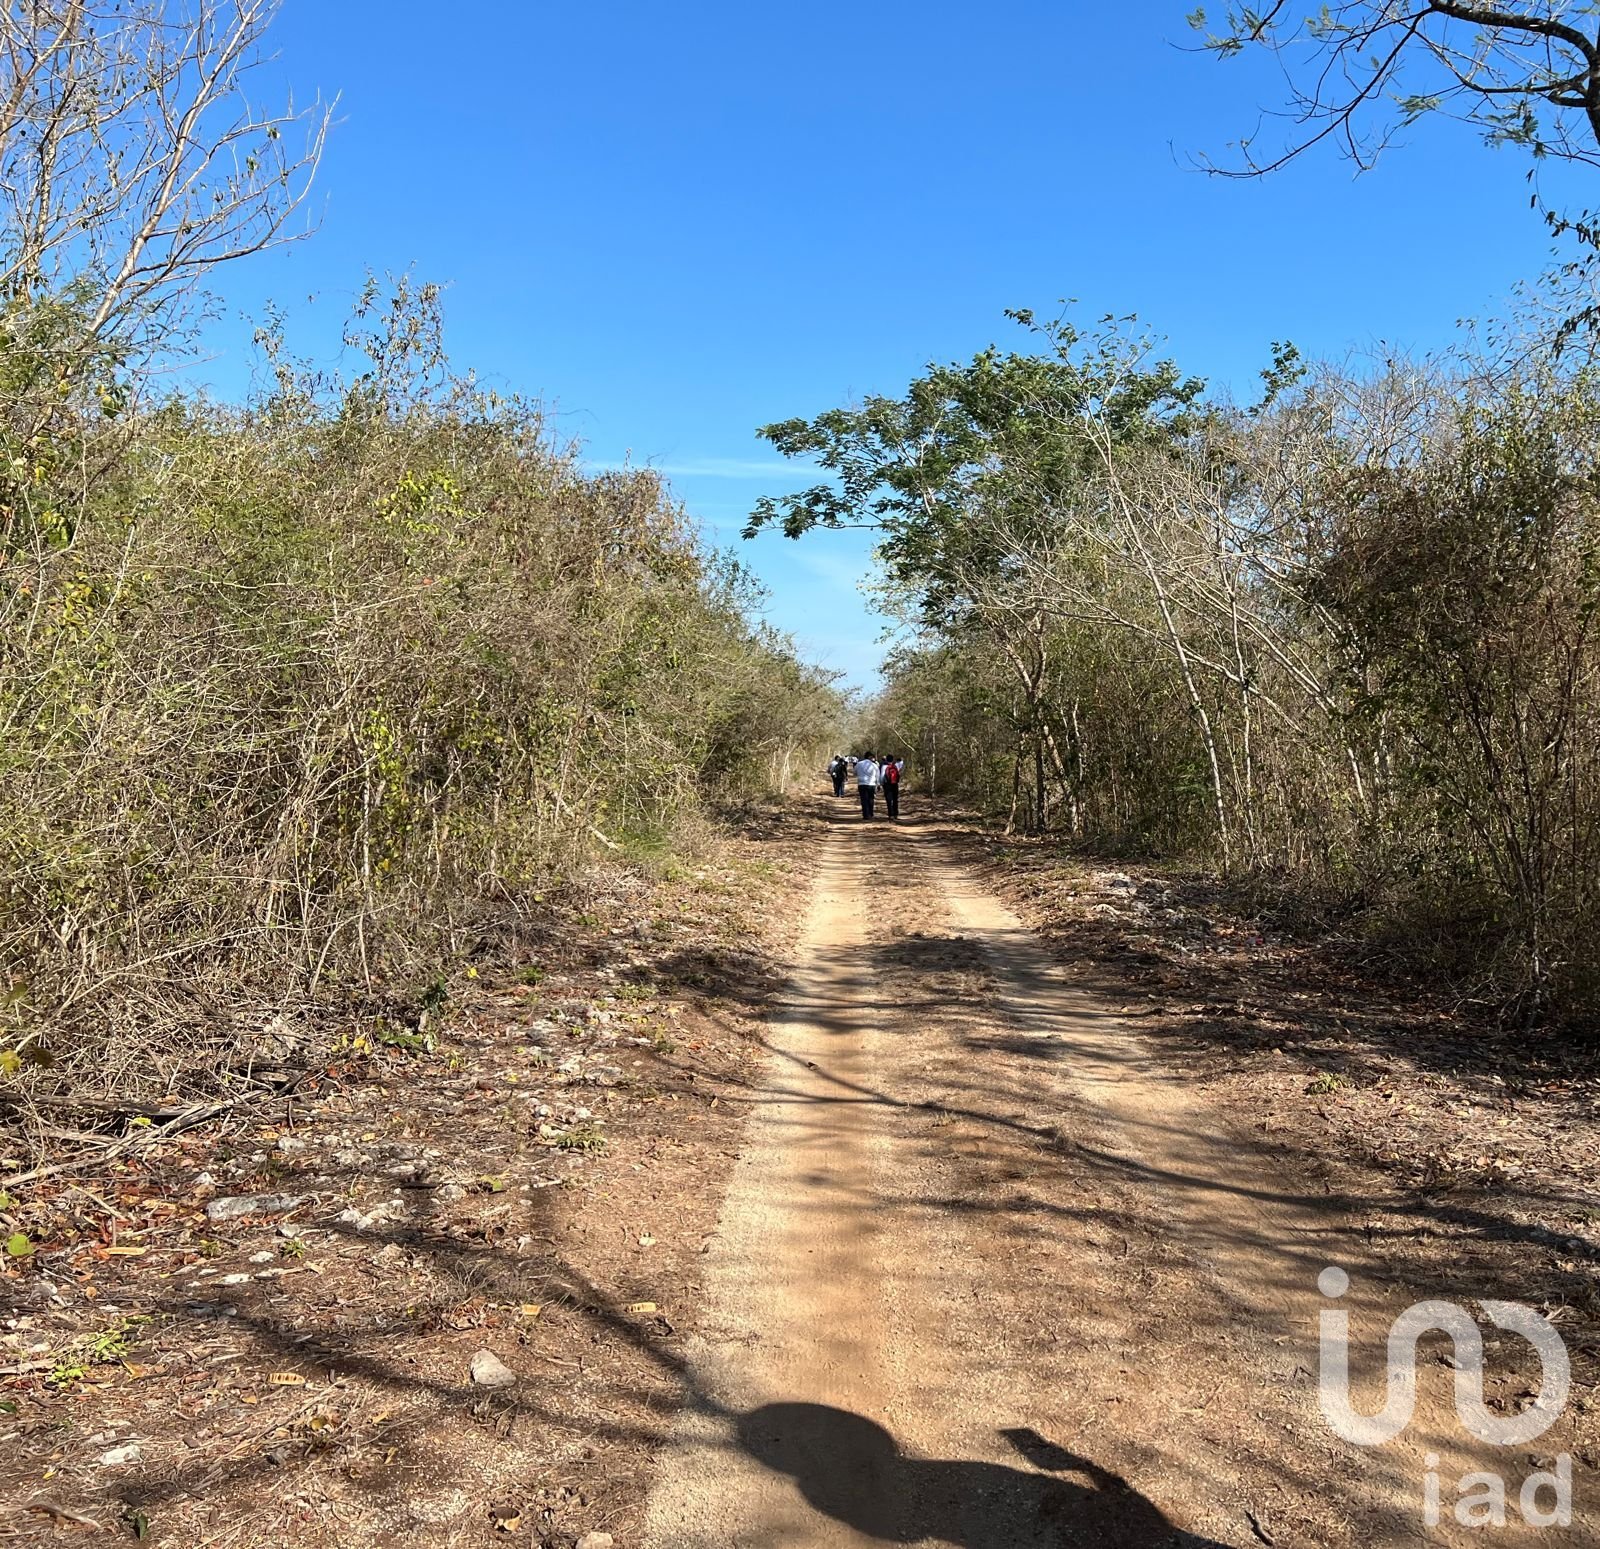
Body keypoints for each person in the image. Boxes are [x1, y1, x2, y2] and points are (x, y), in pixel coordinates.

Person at [854, 751, 880, 820]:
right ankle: (870, 814)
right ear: (870, 757)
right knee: (871, 799)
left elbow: (855, 772)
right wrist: (878, 785)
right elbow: (877, 776)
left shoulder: (859, 764)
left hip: (862, 784)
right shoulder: (874, 765)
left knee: (864, 799)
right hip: (871, 784)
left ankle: (865, 815)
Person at [880, 753, 903, 820]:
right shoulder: (896, 766)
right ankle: (896, 813)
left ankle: (891, 814)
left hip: (887, 785)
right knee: (895, 799)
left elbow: (882, 776)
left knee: (889, 800)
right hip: (895, 784)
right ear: (893, 759)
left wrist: (881, 784)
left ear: (886, 759)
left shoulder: (884, 767)